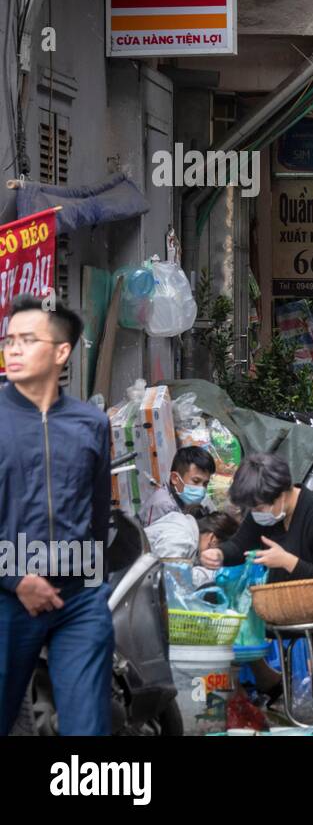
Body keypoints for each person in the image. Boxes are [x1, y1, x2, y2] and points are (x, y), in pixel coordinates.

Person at [0, 295, 114, 736]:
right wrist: (15, 580)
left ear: (61, 352)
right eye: (9, 340)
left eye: (27, 340)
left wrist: (93, 581)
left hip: (78, 601)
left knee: (88, 727)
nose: (13, 350)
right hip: (8, 595)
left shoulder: (91, 423)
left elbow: (100, 511)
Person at [200, 453, 313, 582]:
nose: (254, 513)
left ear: (281, 495)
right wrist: (220, 553)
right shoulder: (263, 508)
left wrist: (288, 562)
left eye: (258, 508)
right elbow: (240, 545)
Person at [145, 505, 239, 586]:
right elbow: (172, 578)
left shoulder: (183, 522)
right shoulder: (182, 537)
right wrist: (216, 574)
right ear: (212, 540)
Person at [140, 445, 217, 525]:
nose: (201, 489)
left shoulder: (192, 501)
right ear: (175, 479)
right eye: (196, 481)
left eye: (205, 484)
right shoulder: (162, 505)